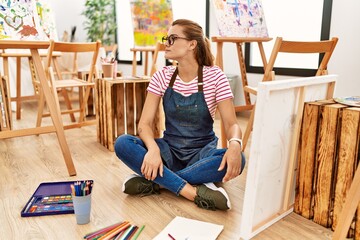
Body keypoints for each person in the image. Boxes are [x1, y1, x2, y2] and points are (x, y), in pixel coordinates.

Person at [114, 19, 245, 211]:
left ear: (192, 44)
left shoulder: (216, 76)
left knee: (239, 159)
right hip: (168, 151)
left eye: (173, 38)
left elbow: (232, 124)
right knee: (123, 143)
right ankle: (193, 192)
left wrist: (235, 144)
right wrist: (153, 150)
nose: (166, 43)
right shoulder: (162, 76)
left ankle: (157, 182)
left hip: (202, 154)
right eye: (167, 38)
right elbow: (144, 124)